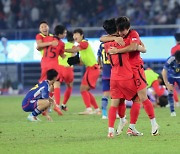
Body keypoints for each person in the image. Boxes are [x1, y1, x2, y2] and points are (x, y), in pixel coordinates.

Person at [101, 16, 159, 136]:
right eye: (119, 31)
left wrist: (138, 48)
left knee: (142, 97)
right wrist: (115, 38)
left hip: (136, 70)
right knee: (126, 99)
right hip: (125, 73)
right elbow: (102, 38)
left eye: (123, 31)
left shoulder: (133, 34)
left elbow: (136, 47)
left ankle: (153, 124)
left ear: (128, 28)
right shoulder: (117, 37)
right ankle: (129, 126)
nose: (121, 33)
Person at [66, 28, 101, 115]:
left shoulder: (84, 43)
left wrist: (63, 50)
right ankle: (97, 110)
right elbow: (81, 63)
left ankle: (89, 109)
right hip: (91, 69)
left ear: (82, 35)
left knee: (83, 89)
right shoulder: (82, 47)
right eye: (74, 35)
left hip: (93, 69)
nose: (75, 36)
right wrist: (76, 61)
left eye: (77, 34)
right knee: (85, 90)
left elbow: (75, 50)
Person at [38, 24, 67, 116]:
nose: (65, 34)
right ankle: (56, 105)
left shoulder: (47, 39)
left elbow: (38, 47)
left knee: (44, 86)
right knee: (56, 84)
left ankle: (43, 107)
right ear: (61, 34)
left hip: (44, 64)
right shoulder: (62, 43)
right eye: (65, 33)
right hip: (54, 65)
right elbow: (62, 55)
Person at [58, 31, 75, 111]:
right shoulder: (74, 47)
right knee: (69, 86)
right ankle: (63, 104)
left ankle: (50, 105)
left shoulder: (62, 44)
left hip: (59, 67)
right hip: (68, 69)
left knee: (54, 86)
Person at [162, 50, 180, 116]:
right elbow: (164, 71)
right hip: (170, 76)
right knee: (170, 92)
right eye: (178, 61)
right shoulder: (170, 59)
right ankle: (172, 111)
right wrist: (167, 84)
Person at [97, 42, 111, 119]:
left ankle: (104, 114)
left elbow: (99, 56)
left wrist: (100, 65)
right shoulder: (114, 43)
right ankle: (117, 113)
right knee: (116, 94)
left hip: (105, 72)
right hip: (114, 72)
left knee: (105, 93)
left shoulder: (102, 44)